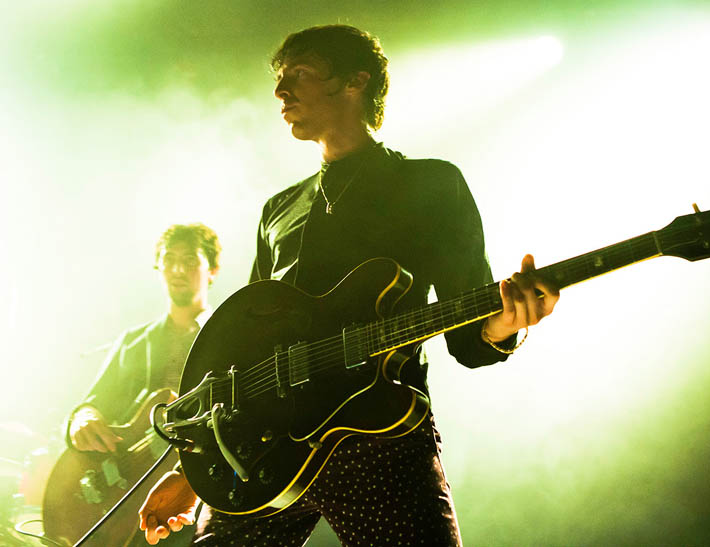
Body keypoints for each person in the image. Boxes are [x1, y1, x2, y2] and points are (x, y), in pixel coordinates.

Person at [139, 25, 559, 546]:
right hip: (271, 453)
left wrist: (504, 324)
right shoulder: (278, 210)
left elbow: (468, 339)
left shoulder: (431, 184)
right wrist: (199, 469)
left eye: (300, 74)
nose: (281, 92)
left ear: (356, 81)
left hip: (377, 435)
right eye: (280, 77)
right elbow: (239, 353)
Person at [65, 223, 221, 545]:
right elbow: (91, 403)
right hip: (121, 493)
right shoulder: (133, 342)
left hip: (190, 498)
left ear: (212, 270)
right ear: (158, 267)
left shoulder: (226, 337)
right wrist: (83, 418)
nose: (178, 269)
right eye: (169, 259)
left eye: (190, 260)